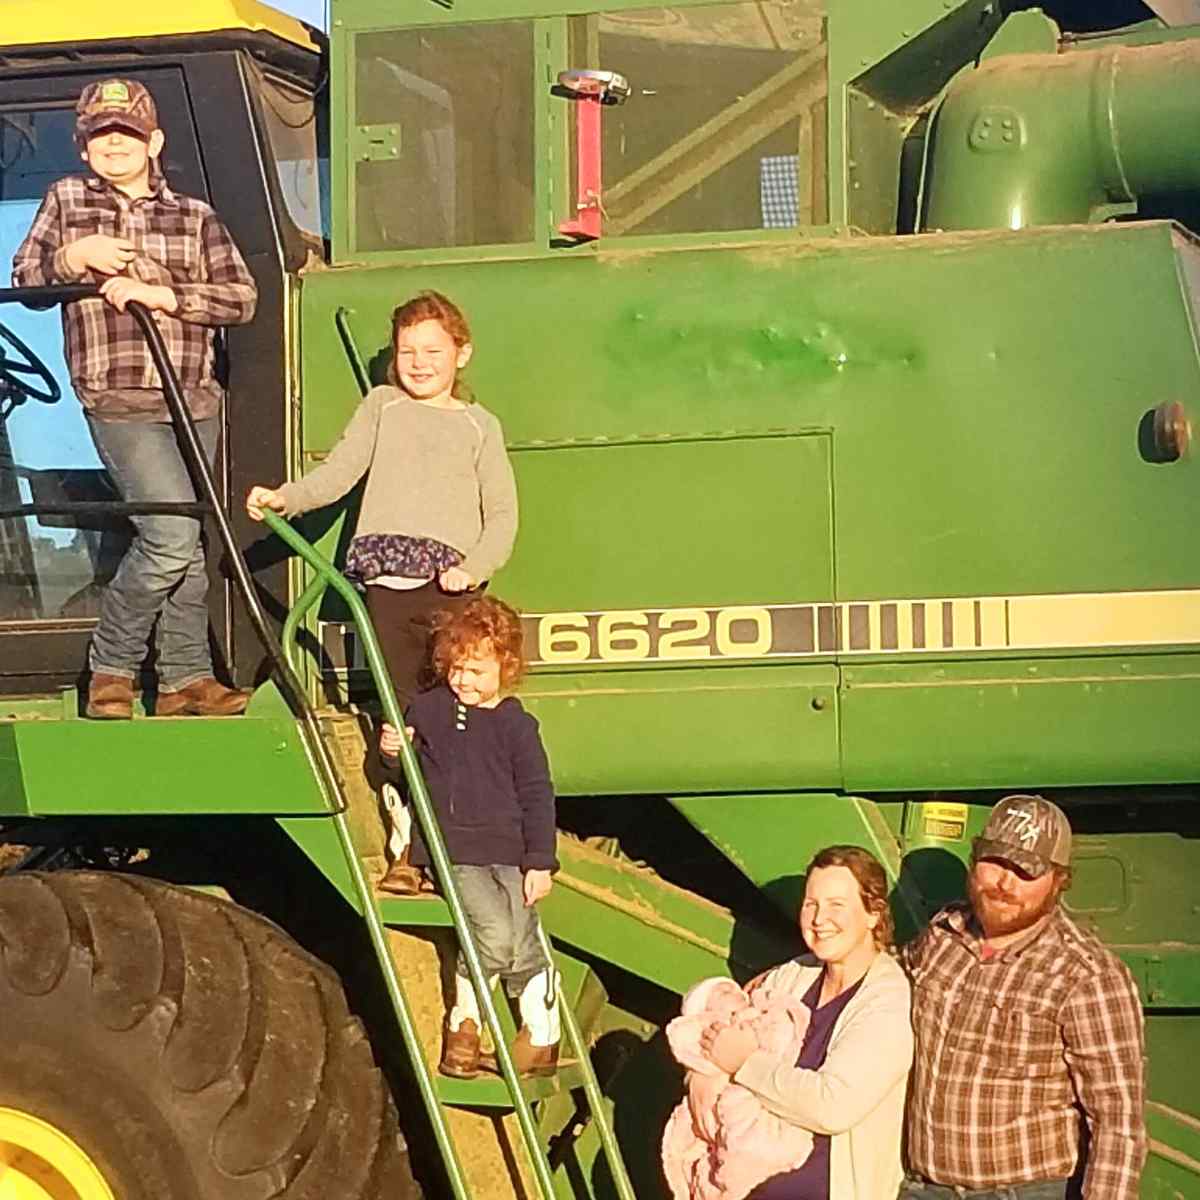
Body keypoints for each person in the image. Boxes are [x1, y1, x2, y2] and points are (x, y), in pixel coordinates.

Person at [12, 78, 258, 719]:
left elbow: (242, 297)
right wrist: (74, 255)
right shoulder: (65, 200)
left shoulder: (195, 217)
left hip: (193, 395)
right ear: (84, 147)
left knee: (194, 540)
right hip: (119, 397)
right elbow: (26, 280)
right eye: (100, 135)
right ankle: (112, 668)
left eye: (125, 133)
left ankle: (185, 680)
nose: (113, 143)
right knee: (171, 535)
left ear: (153, 141)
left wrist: (168, 296)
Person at [900, 793, 1147, 1200]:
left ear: (1058, 880)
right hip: (924, 1188)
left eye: (1024, 871)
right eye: (995, 862)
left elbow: (1118, 1123)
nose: (1004, 882)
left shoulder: (1086, 976)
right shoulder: (941, 936)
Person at [386, 596, 560, 1080]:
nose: (463, 680)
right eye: (457, 668)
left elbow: (537, 794)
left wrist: (540, 861)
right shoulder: (429, 709)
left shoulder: (517, 726)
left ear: (505, 669)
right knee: (494, 937)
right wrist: (393, 751)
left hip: (510, 851)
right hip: (456, 850)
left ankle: (539, 1037)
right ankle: (463, 1025)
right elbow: (403, 771)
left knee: (523, 940)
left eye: (477, 671)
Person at [698, 845, 913, 1200]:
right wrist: (701, 1077)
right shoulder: (794, 975)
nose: (818, 918)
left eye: (836, 905)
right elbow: (718, 1031)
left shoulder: (887, 1000)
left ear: (873, 914)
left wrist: (745, 1064)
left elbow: (832, 1106)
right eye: (811, 904)